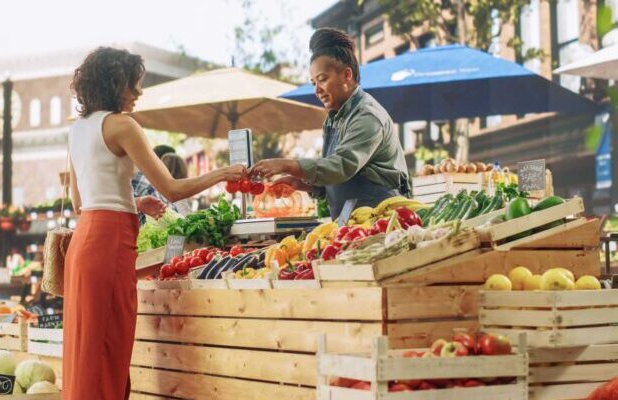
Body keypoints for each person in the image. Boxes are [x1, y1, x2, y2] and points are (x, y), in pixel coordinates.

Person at [64, 46, 245, 400]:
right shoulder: (122, 125)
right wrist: (223, 172)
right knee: (108, 351)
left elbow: (79, 202)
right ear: (114, 84)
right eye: (133, 84)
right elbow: (173, 190)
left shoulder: (76, 129)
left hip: (84, 245)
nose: (138, 93)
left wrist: (132, 202)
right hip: (110, 245)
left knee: (85, 353)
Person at [251, 28, 410, 219]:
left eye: (322, 79)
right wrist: (301, 184)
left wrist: (288, 165)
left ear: (347, 75)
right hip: (350, 221)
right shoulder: (333, 119)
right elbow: (334, 176)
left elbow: (341, 166)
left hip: (383, 219)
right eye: (313, 83)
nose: (317, 90)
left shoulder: (368, 116)